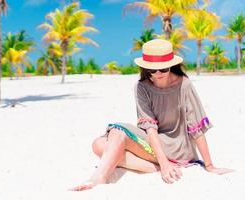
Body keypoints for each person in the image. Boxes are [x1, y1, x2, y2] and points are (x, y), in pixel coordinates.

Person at [71, 39, 234, 191]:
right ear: (145, 68)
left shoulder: (184, 85)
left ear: (171, 65)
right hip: (155, 143)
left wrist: (209, 165)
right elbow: (150, 128)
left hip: (179, 147)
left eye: (163, 68)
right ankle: (157, 166)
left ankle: (99, 177)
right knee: (98, 145)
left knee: (117, 131)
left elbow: (196, 127)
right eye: (152, 69)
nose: (158, 73)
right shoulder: (141, 87)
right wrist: (163, 164)